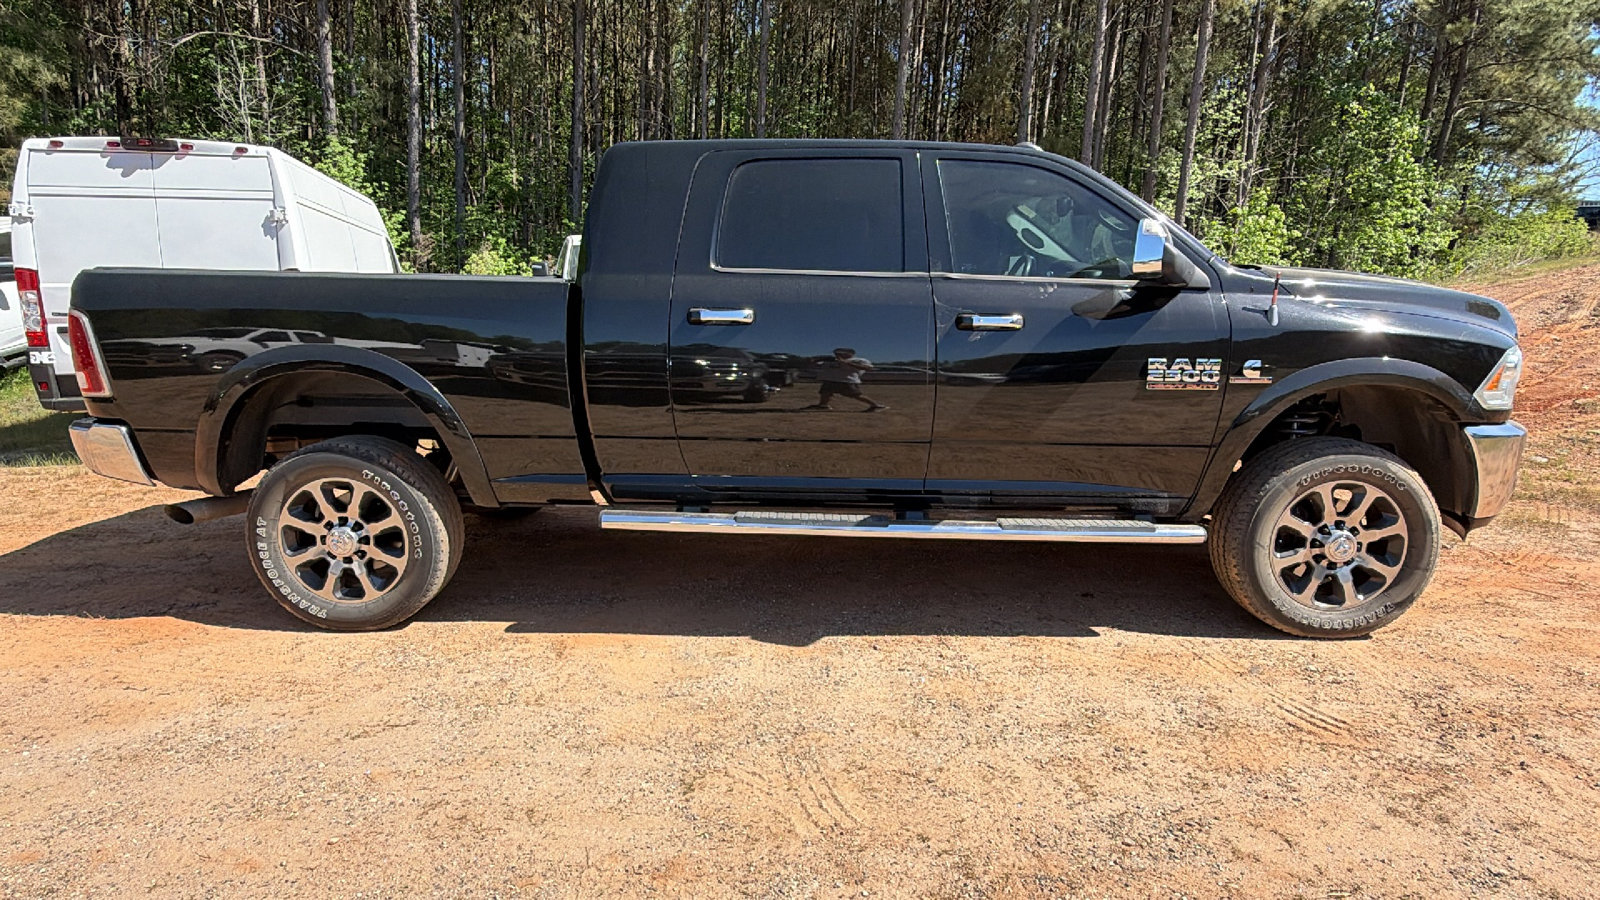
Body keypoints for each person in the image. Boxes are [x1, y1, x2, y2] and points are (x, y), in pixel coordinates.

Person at [805, 348, 887, 411]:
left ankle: (875, 405)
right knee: (825, 392)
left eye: (839, 353)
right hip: (831, 379)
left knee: (855, 395)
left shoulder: (858, 360)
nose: (836, 354)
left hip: (846, 380)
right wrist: (814, 360)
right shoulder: (831, 360)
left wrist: (846, 362)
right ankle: (823, 405)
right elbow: (815, 365)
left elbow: (868, 368)